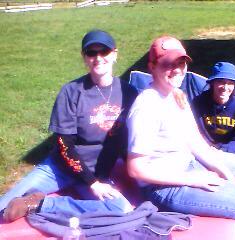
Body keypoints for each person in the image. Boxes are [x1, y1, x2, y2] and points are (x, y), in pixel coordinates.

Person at [126, 36, 235, 240]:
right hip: (166, 188)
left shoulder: (175, 95)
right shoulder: (147, 106)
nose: (177, 70)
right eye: (167, 64)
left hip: (188, 165)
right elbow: (136, 169)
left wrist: (228, 176)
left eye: (181, 63)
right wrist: (193, 179)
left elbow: (195, 142)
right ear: (152, 67)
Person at [0, 29, 138, 213]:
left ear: (114, 54)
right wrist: (92, 183)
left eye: (104, 52)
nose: (98, 58)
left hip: (99, 172)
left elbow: (131, 137)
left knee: (122, 209)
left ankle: (40, 204)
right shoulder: (71, 92)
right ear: (84, 57)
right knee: (4, 206)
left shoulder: (129, 92)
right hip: (59, 169)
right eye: (91, 52)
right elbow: (65, 144)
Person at [192, 62, 235, 154]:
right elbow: (193, 132)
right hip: (203, 152)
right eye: (221, 82)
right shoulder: (198, 103)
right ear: (212, 83)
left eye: (230, 83)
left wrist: (222, 150)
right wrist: (207, 149)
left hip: (231, 154)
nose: (225, 87)